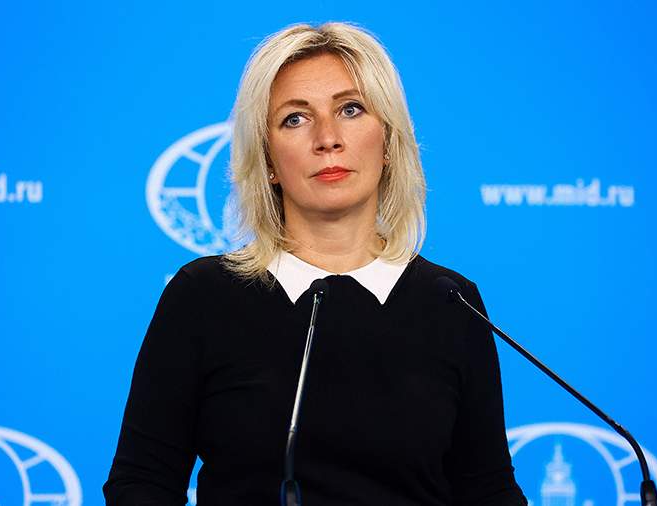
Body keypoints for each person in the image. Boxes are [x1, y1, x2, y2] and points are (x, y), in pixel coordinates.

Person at [104, 22, 527, 506]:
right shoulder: (202, 295)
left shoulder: (451, 302)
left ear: (388, 141)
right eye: (295, 119)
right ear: (267, 160)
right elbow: (142, 483)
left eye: (351, 109)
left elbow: (488, 490)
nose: (328, 138)